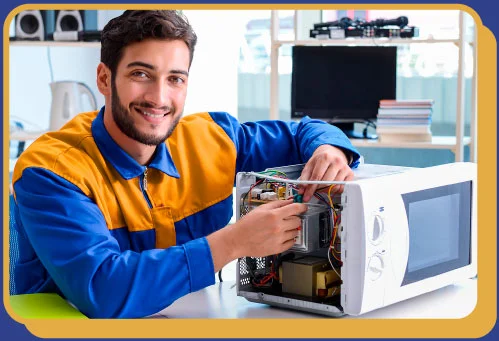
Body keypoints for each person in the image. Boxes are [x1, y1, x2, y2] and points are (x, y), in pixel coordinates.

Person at [11, 10, 360, 318]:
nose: (159, 98)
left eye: (174, 78)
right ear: (104, 78)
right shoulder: (51, 171)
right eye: (141, 74)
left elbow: (307, 131)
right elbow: (104, 289)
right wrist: (233, 243)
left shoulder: (214, 139)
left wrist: (330, 149)